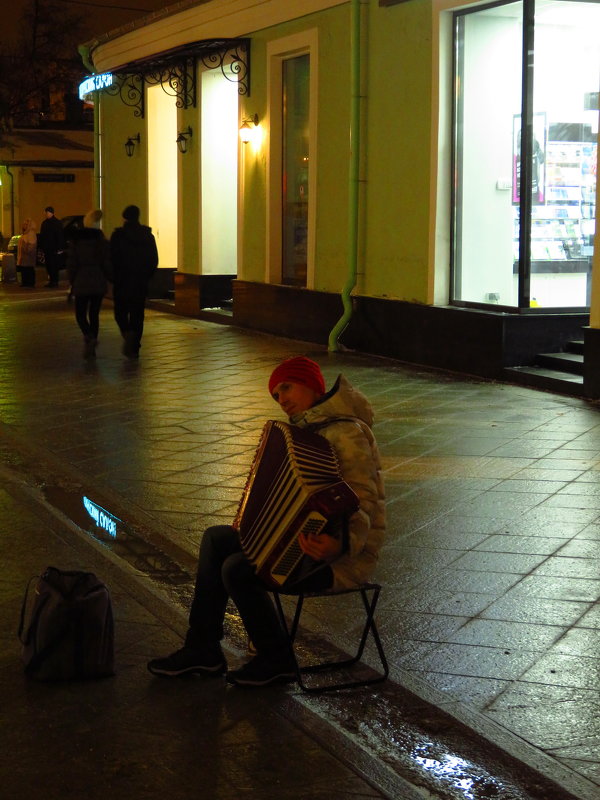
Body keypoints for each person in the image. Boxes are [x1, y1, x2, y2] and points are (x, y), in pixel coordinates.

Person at [147, 356, 386, 687]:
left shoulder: (346, 431)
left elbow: (364, 499)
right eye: (276, 395)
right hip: (305, 542)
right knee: (217, 539)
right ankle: (202, 648)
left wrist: (339, 544)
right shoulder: (307, 430)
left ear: (313, 384)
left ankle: (277, 660)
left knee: (237, 568)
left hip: (340, 557)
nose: (282, 399)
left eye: (286, 387)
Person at [109, 205, 158, 359]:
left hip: (122, 281)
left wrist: (113, 277)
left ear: (124, 217)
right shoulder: (147, 236)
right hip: (140, 282)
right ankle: (135, 347)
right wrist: (146, 276)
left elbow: (111, 258)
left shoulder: (118, 236)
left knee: (120, 313)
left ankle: (127, 334)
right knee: (137, 314)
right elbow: (153, 259)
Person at [67, 209, 111, 360]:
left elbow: (72, 264)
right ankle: (92, 348)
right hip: (98, 280)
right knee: (94, 314)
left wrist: (72, 281)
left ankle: (89, 337)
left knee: (80, 314)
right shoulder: (102, 242)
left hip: (81, 280)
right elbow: (107, 262)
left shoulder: (77, 242)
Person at [39, 206, 65, 287]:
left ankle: (55, 281)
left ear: (52, 213)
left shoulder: (57, 223)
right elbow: (42, 236)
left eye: (47, 212)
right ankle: (51, 281)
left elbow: (60, 236)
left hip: (54, 248)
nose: (46, 214)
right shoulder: (44, 223)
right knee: (49, 265)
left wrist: (59, 247)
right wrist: (42, 246)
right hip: (47, 248)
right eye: (45, 213)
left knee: (54, 265)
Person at [16, 218, 38, 287]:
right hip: (24, 256)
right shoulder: (24, 233)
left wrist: (27, 250)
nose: (24, 225)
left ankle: (30, 283)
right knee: (24, 269)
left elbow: (32, 244)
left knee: (29, 269)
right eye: (24, 224)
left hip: (28, 256)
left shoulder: (31, 233)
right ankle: (25, 282)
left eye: (26, 224)